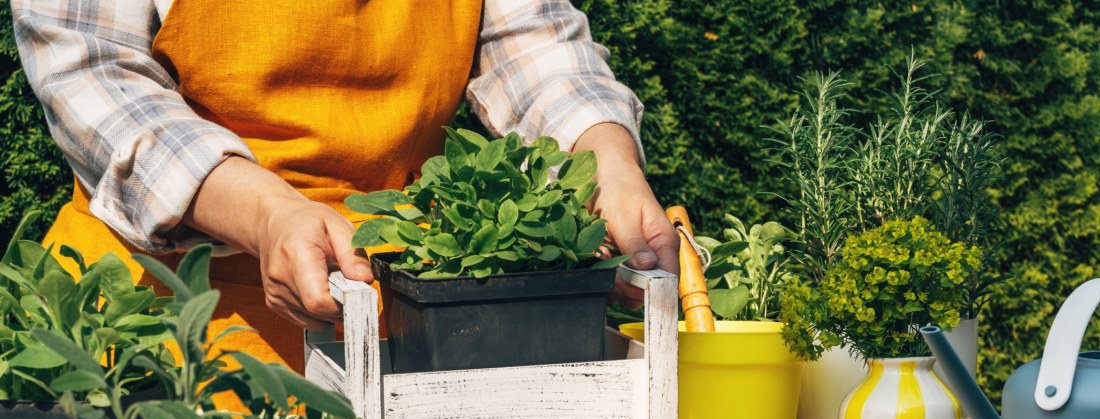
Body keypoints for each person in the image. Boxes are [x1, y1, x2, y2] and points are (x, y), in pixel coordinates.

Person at [12, 0, 679, 371]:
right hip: (159, 325)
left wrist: (606, 166)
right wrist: (268, 213)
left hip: (393, 315)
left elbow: (533, 45)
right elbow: (93, 76)